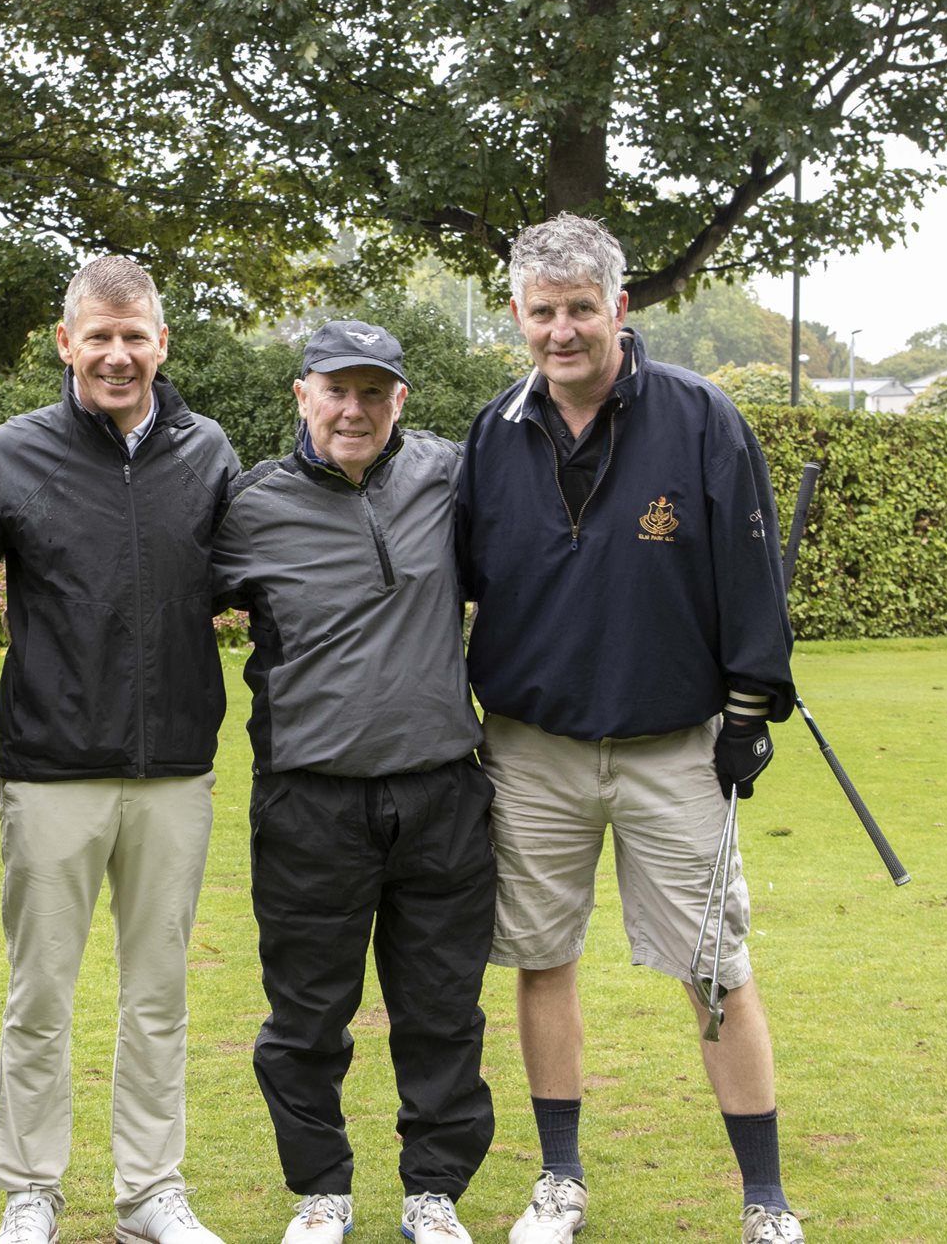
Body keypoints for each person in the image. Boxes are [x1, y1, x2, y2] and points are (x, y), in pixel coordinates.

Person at [456, 214, 804, 1244]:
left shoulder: (701, 417)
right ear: (516, 314)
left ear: (617, 307)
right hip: (531, 750)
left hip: (672, 748)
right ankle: (559, 1181)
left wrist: (749, 712)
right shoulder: (491, 431)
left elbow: (751, 581)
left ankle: (765, 1199)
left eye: (579, 308)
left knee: (714, 967)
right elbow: (453, 582)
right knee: (541, 958)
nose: (561, 330)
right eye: (541, 311)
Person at [0, 256, 241, 1244]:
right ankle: (30, 1188)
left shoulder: (206, 453)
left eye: (135, 336)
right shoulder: (11, 454)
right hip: (50, 769)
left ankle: (150, 1190)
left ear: (162, 342)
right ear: (65, 342)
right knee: (40, 994)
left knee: (158, 994)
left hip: (174, 771)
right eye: (99, 336)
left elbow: (255, 582)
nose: (118, 354)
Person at [213, 320, 496, 1244]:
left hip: (442, 793)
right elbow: (156, 606)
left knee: (442, 1008)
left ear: (399, 400)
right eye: (336, 389)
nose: (354, 409)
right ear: (302, 394)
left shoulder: (449, 474)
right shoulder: (249, 505)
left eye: (374, 391)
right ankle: (321, 1190)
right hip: (310, 799)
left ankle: (433, 1190)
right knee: (305, 1014)